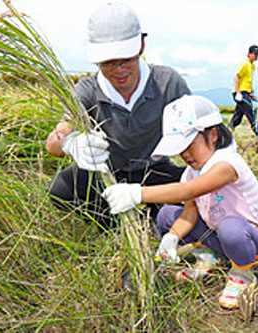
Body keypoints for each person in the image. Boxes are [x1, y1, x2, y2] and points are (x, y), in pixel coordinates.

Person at [102, 95, 258, 310]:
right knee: (167, 215)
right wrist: (172, 238)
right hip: (219, 238)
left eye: (189, 146)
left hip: (252, 244)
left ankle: (243, 272)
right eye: (180, 149)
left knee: (230, 227)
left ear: (213, 135)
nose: (184, 154)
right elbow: (190, 212)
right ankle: (209, 257)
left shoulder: (227, 164)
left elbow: (188, 190)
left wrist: (137, 194)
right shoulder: (191, 172)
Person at [45, 2, 191, 229]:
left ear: (141, 46)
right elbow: (53, 142)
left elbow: (198, 136)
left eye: (126, 59)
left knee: (202, 186)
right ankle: (116, 226)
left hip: (154, 172)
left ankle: (154, 213)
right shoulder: (87, 90)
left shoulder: (168, 83)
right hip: (108, 175)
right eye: (108, 62)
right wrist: (69, 143)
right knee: (61, 189)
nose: (119, 70)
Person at [230, 45, 258, 134]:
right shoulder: (244, 64)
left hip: (245, 92)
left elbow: (247, 81)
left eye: (257, 54)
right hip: (240, 92)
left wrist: (250, 92)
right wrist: (238, 93)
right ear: (249, 54)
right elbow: (236, 77)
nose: (256, 55)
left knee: (238, 115)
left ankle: (229, 129)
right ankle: (257, 132)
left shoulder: (252, 66)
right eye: (254, 54)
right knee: (250, 110)